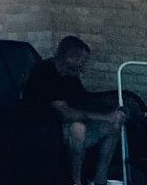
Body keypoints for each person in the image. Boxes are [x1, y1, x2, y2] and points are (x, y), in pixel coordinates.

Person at [21, 36, 125, 185]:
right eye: (80, 61)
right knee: (78, 129)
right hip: (47, 125)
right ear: (69, 58)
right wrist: (104, 116)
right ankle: (76, 182)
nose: (82, 65)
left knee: (114, 123)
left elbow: (82, 99)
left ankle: (99, 178)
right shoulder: (44, 73)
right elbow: (65, 112)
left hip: (70, 120)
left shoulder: (69, 74)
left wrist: (108, 103)